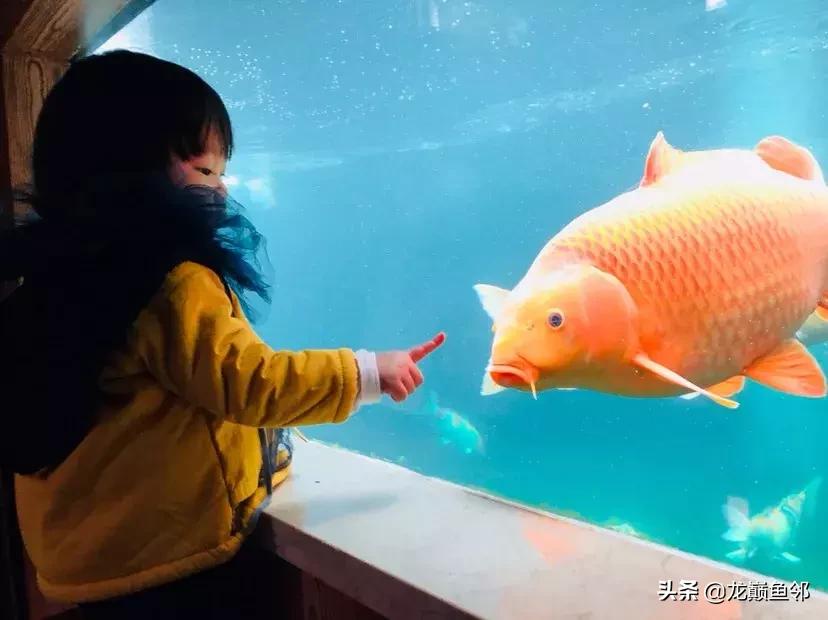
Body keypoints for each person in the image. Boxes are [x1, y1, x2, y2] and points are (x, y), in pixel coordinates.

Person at [0, 49, 445, 618]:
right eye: (206, 170)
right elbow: (246, 384)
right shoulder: (167, 282)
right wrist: (364, 372)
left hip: (95, 558)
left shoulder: (63, 275)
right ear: (128, 172)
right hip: (171, 565)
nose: (223, 187)